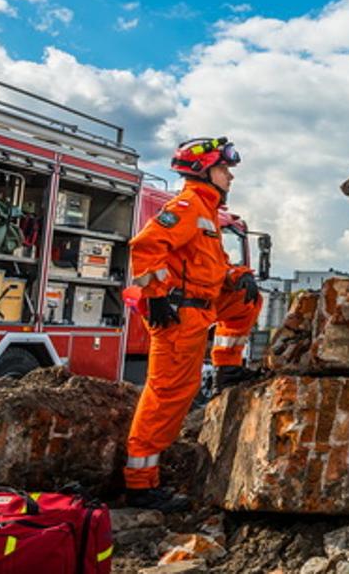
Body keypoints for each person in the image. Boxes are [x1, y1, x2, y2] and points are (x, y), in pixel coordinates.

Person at [121, 136, 263, 511]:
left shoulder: (207, 212)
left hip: (200, 307)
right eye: (224, 169)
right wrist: (156, 299)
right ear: (204, 170)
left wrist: (237, 276)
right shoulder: (186, 207)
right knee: (169, 394)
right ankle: (140, 483)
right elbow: (144, 248)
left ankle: (227, 371)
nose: (230, 177)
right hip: (179, 315)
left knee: (248, 298)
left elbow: (208, 268)